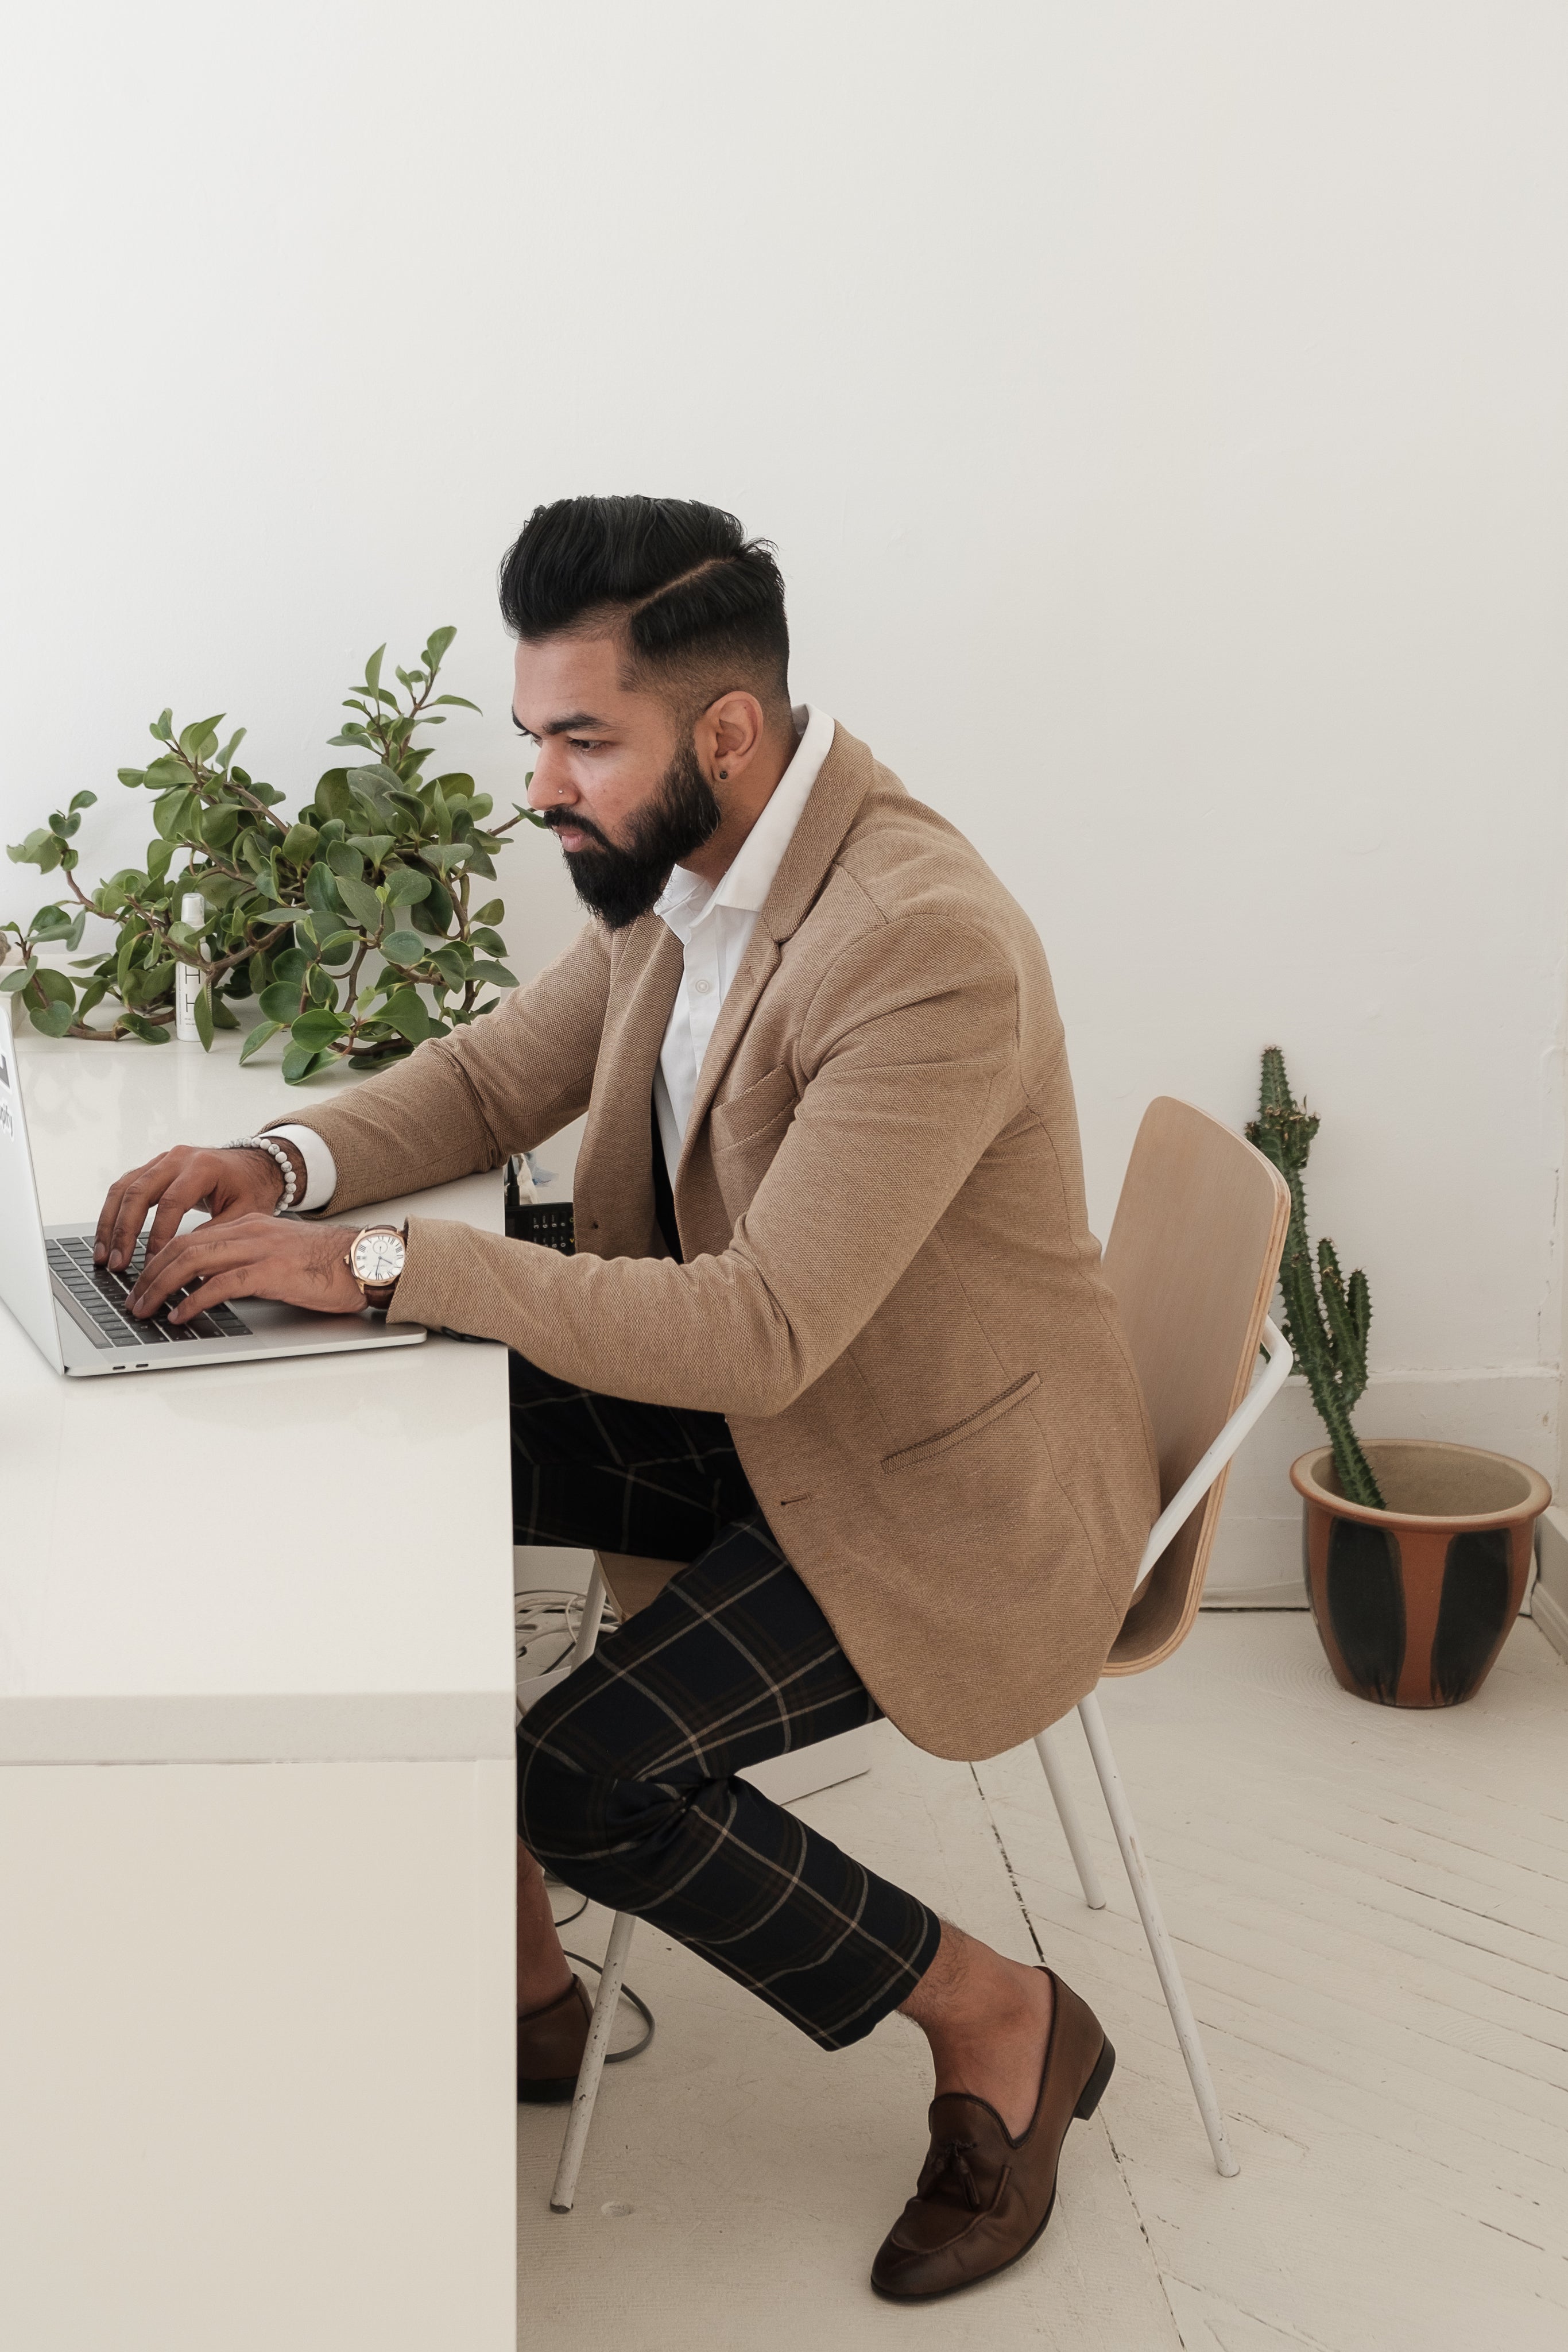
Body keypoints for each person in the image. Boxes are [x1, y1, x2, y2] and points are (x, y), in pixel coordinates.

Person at [97, 496, 1159, 2303]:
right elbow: (498, 1076)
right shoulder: (698, 868)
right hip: (785, 1424)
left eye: (583, 740)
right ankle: (525, 1985)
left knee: (582, 1772)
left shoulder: (916, 940)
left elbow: (759, 1330)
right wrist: (280, 1166)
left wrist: (376, 1265)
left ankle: (1000, 2014)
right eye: (535, 737)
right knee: (370, 1416)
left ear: (723, 732)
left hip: (938, 1497)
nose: (543, 787)